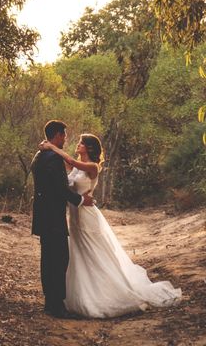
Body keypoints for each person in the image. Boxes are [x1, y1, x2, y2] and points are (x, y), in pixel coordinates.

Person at [39, 133, 182, 318]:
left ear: (89, 148)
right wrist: (47, 148)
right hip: (75, 216)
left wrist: (51, 146)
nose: (78, 144)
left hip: (87, 215)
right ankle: (81, 294)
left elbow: (69, 161)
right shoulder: (73, 165)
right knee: (79, 254)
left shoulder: (92, 167)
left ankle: (108, 294)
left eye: (82, 142)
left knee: (94, 251)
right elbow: (63, 170)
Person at [31, 120, 94, 319]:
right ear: (57, 135)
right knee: (59, 260)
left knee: (48, 259)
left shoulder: (40, 155)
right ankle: (58, 306)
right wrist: (80, 199)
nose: (66, 139)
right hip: (53, 216)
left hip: (43, 215)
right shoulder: (53, 158)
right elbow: (59, 189)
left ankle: (50, 302)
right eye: (64, 135)